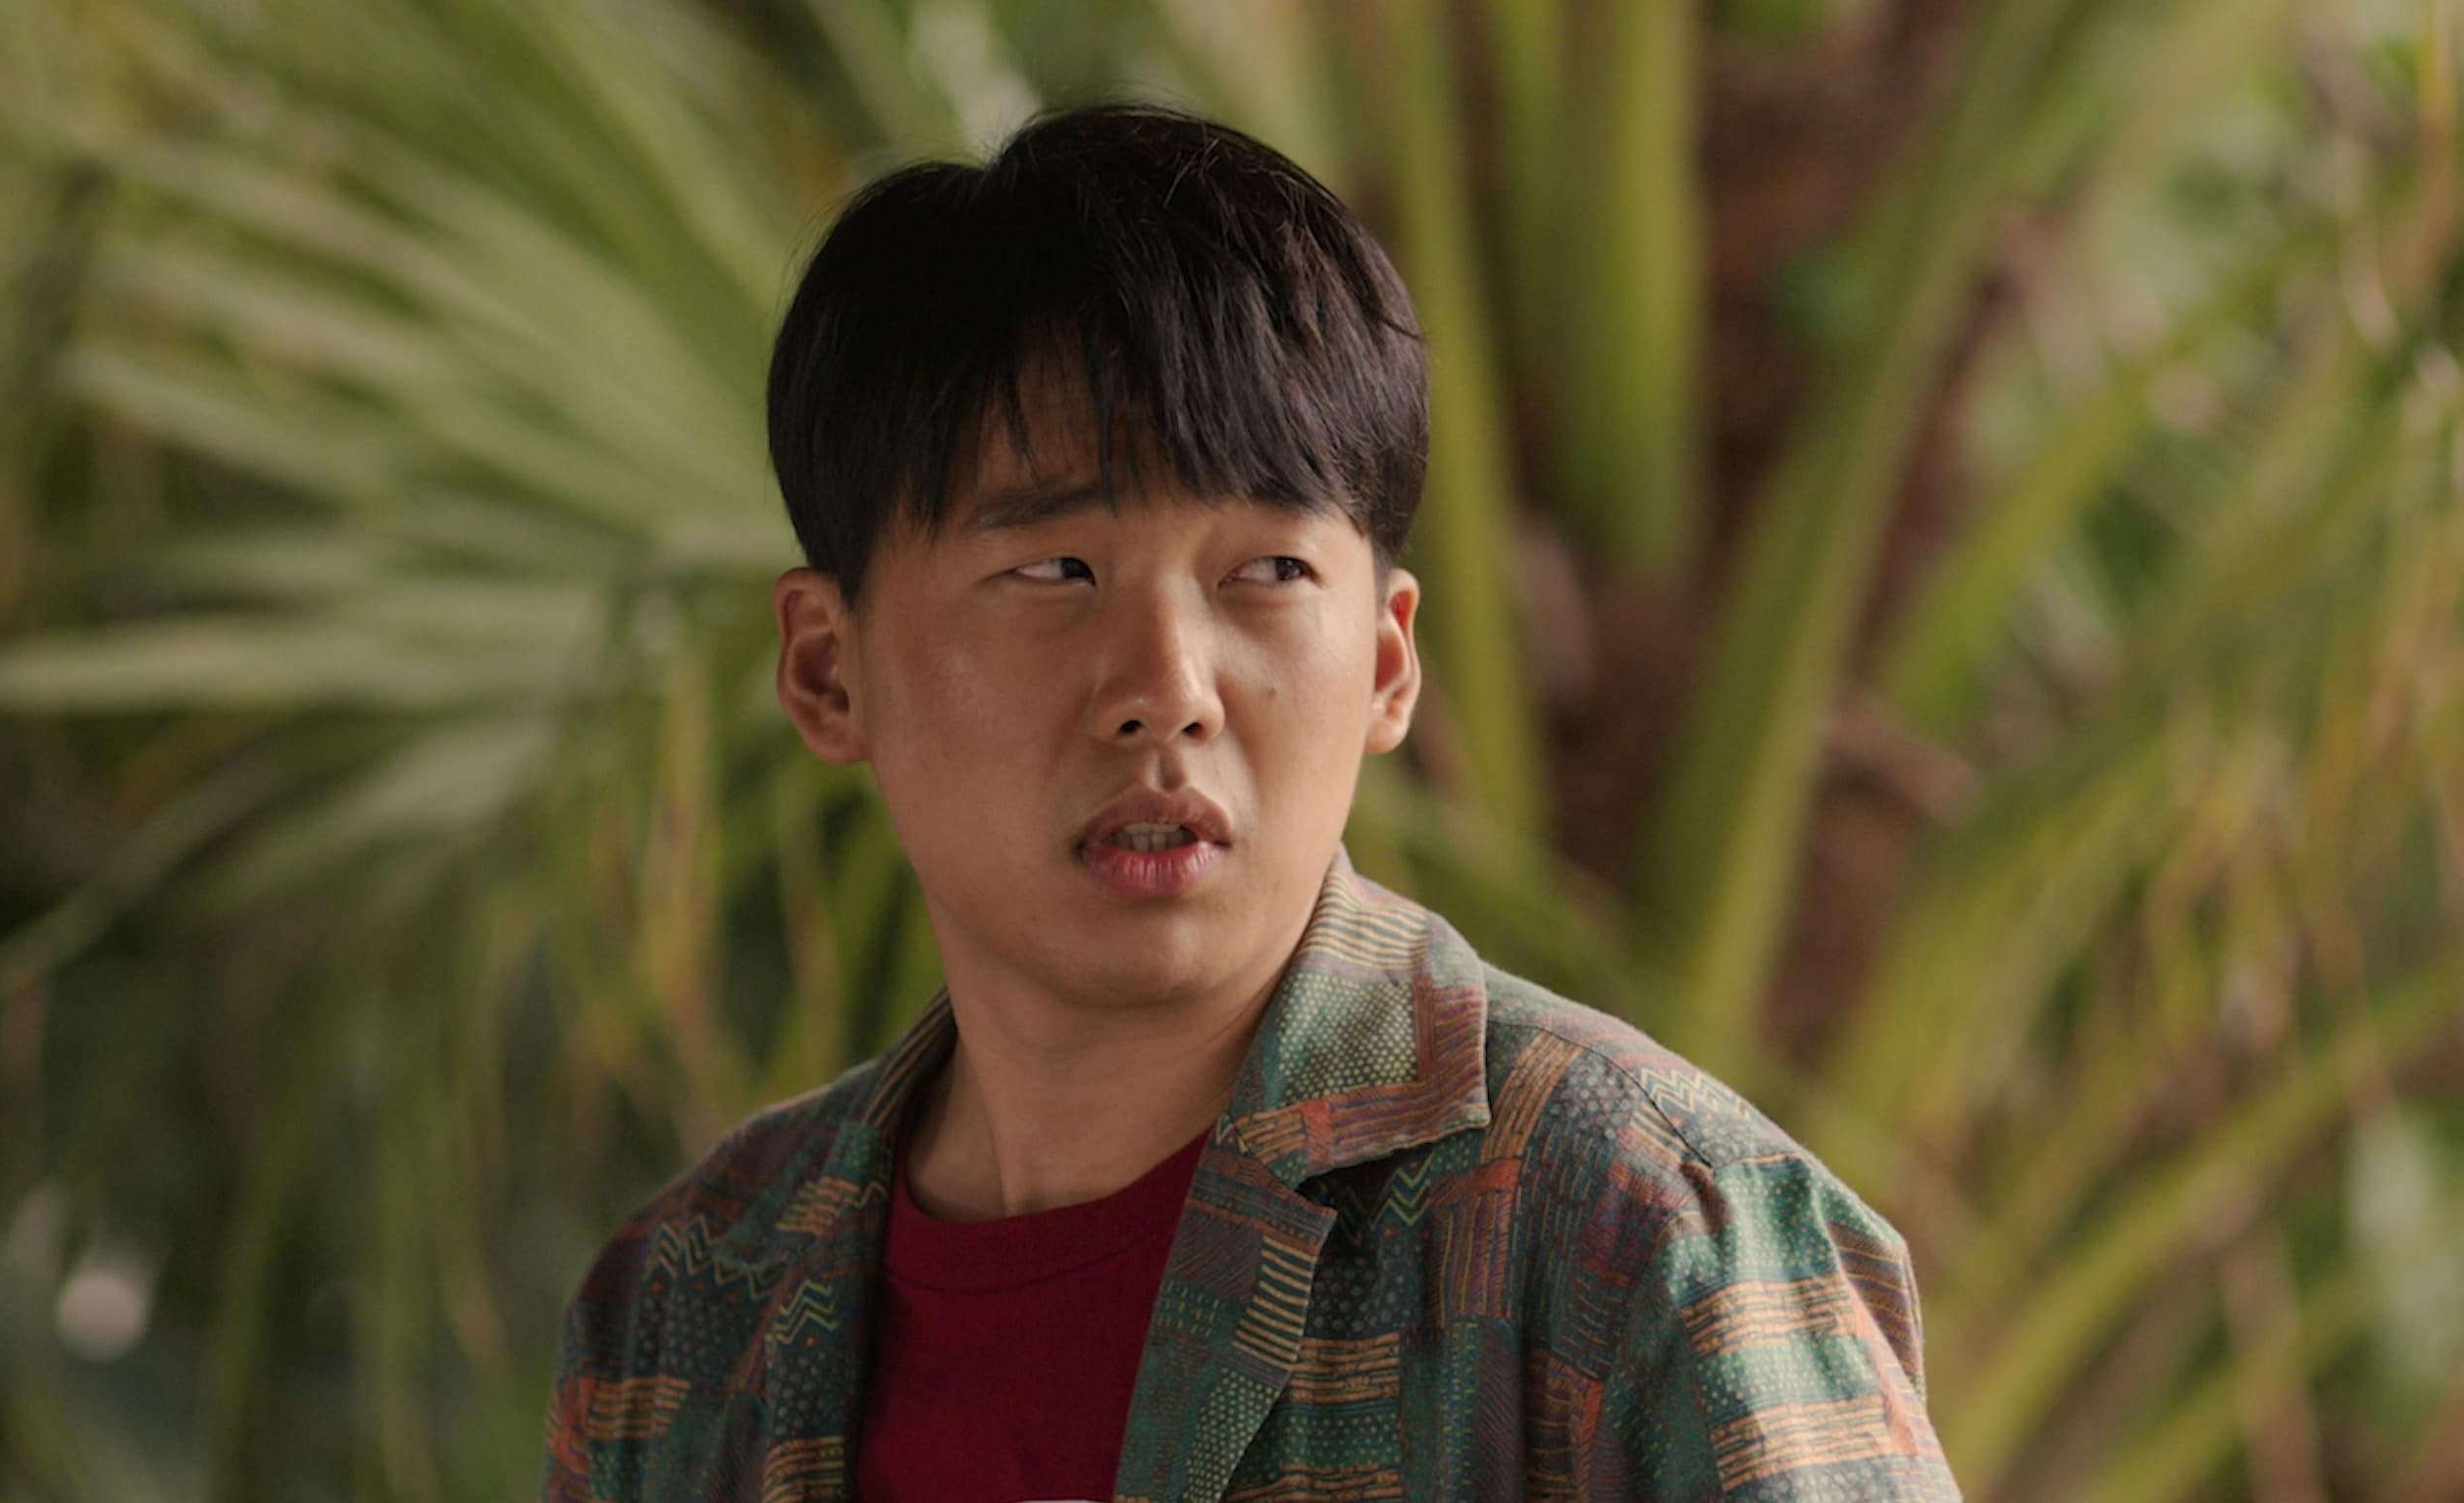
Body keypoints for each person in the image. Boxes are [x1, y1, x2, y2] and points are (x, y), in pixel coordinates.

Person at [541, 102, 1960, 1502]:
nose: (1168, 691)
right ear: (827, 668)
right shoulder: (686, 1314)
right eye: (1054, 571)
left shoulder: (1635, 1236)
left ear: (1389, 663)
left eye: (1268, 573)